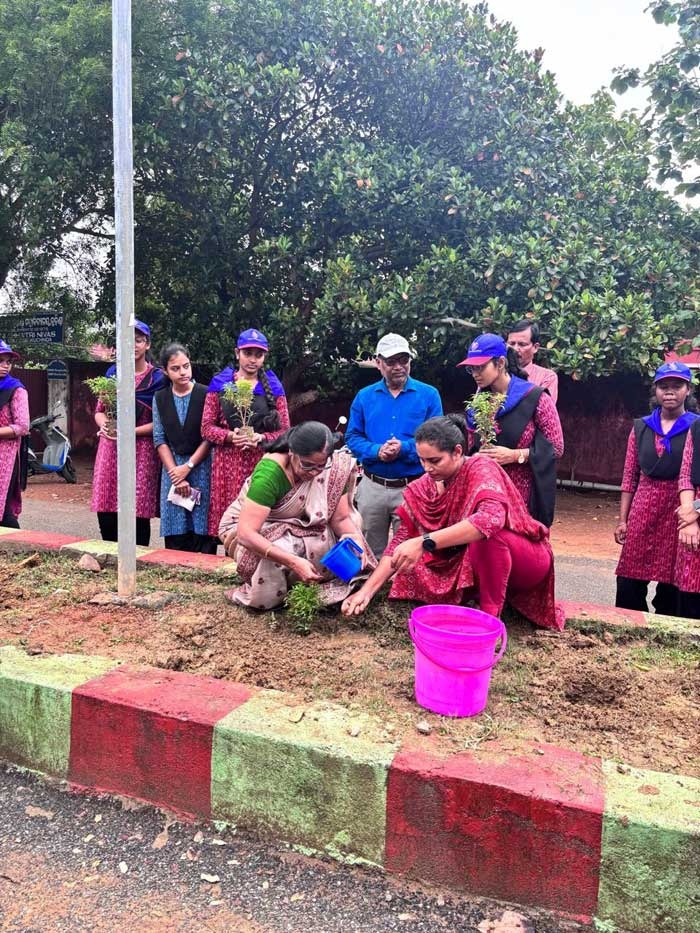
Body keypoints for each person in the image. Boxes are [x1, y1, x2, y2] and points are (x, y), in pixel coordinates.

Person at [342, 415, 564, 630]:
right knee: (413, 563)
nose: (427, 468)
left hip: (527, 561)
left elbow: (490, 519)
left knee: (487, 537)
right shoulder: (423, 487)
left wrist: (424, 542)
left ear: (457, 452)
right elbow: (400, 541)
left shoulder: (480, 467)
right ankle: (472, 600)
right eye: (422, 460)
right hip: (481, 564)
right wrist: (367, 591)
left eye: (435, 460)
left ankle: (488, 620)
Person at [219, 421, 375, 609]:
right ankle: (269, 595)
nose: (315, 473)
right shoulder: (271, 473)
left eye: (321, 466)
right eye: (307, 465)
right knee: (285, 546)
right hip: (249, 526)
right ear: (292, 452)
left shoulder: (334, 470)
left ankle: (311, 587)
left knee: (340, 537)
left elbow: (340, 519)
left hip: (303, 523)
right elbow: (246, 533)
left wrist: (354, 537)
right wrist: (293, 562)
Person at [345, 333, 443, 559]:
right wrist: (376, 451)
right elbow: (353, 436)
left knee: (411, 549)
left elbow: (437, 437)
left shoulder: (428, 395)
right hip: (372, 486)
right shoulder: (364, 397)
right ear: (378, 363)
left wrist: (405, 448)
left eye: (404, 360)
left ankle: (404, 592)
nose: (399, 367)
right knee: (369, 547)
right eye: (391, 362)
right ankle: (371, 590)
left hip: (414, 485)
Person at [614, 362, 698, 615]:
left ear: (688, 390)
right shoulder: (641, 427)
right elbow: (630, 476)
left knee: (673, 580)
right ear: (655, 391)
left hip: (679, 510)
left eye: (677, 386)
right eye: (664, 386)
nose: (669, 392)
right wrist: (623, 519)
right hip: (643, 507)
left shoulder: (697, 427)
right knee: (629, 577)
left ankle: (666, 627)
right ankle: (630, 624)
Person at [460, 333, 563, 526]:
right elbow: (471, 448)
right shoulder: (477, 405)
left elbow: (556, 448)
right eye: (471, 368)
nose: (475, 373)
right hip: (486, 493)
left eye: (480, 367)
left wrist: (515, 455)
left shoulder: (535, 398)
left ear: (500, 363)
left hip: (523, 495)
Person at [202, 328, 289, 540]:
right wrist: (231, 436)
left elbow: (285, 431)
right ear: (237, 353)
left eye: (258, 355)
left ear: (264, 357)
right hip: (227, 464)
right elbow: (206, 427)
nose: (252, 359)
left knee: (258, 518)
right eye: (247, 353)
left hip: (260, 463)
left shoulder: (274, 387)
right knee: (227, 523)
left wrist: (260, 439)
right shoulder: (220, 384)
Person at [90, 320, 167, 546]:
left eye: (139, 340)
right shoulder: (112, 373)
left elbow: (161, 422)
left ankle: (138, 558)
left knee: (137, 504)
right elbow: (99, 411)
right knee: (107, 499)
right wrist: (104, 424)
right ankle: (110, 551)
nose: (133, 345)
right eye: (128, 340)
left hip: (141, 449)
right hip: (111, 446)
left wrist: (130, 432)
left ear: (147, 345)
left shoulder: (159, 379)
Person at [152, 343, 218, 553]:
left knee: (202, 527)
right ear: (165, 371)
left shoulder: (207, 394)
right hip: (172, 470)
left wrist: (188, 466)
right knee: (176, 528)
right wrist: (177, 475)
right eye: (175, 368)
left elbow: (209, 437)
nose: (182, 372)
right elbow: (159, 439)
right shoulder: (160, 398)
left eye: (186, 366)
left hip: (202, 467)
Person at [0, 340, 30, 529]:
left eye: (8, 362)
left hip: (5, 457)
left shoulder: (15, 389)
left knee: (3, 512)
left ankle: (19, 548)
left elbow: (22, 426)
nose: (5, 366)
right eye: (1, 360)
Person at [506, 319, 558, 403]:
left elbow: (544, 412)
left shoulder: (547, 377)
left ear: (535, 347)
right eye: (511, 344)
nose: (515, 349)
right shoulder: (496, 373)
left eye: (522, 344)